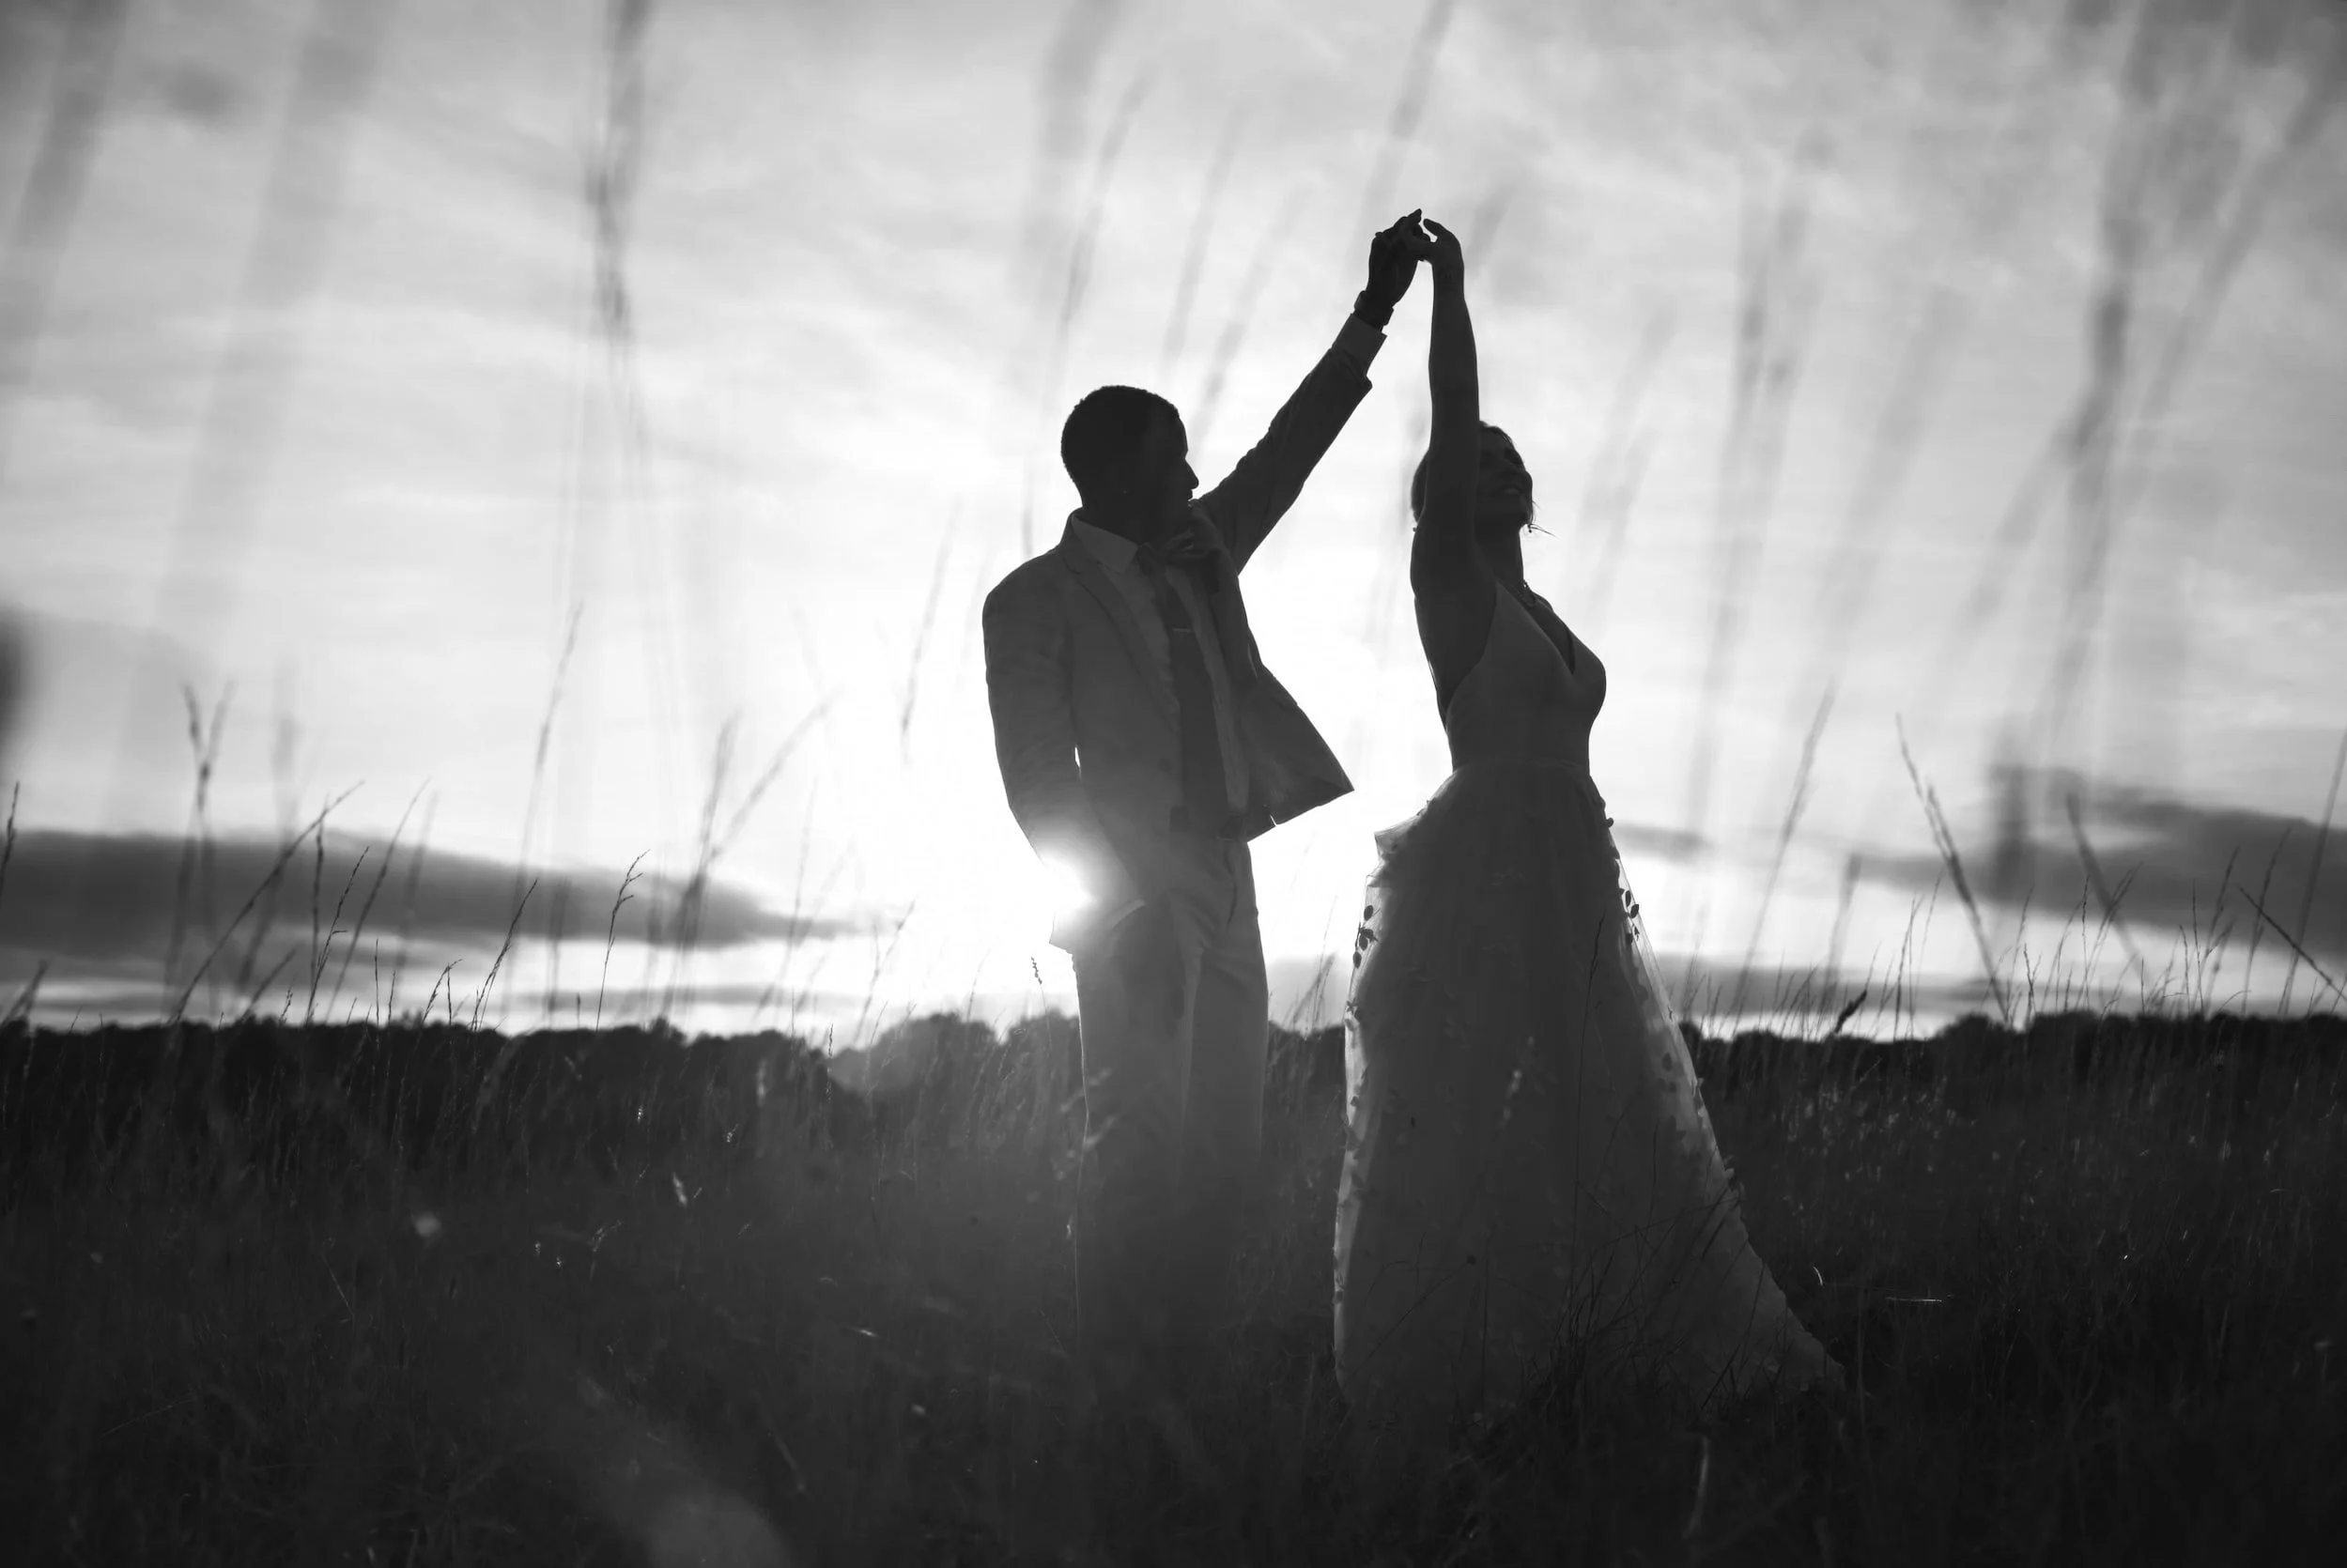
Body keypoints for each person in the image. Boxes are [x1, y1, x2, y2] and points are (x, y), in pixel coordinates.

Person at [1333, 216, 1838, 1456]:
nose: (1493, 465)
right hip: (1484, 872)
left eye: (1508, 460)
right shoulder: (1446, 588)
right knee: (1467, 1125)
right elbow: (1454, 414)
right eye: (1473, 463)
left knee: (1597, 1117)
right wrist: (1445, 288)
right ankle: (1461, 1380)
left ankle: (1596, 1352)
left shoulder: (1540, 605)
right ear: (1443, 494)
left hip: (1573, 872)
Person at [982, 213, 1428, 1417]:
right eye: (1174, 458)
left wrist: (1372, 311)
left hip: (1232, 879)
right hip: (1138, 899)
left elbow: (1289, 452)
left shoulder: (1202, 551)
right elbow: (1038, 776)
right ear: (1119, 468)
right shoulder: (1030, 601)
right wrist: (1119, 910)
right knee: (1137, 1160)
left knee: (1224, 1163)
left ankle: (1192, 1391)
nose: (1192, 477)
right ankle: (1116, 1404)